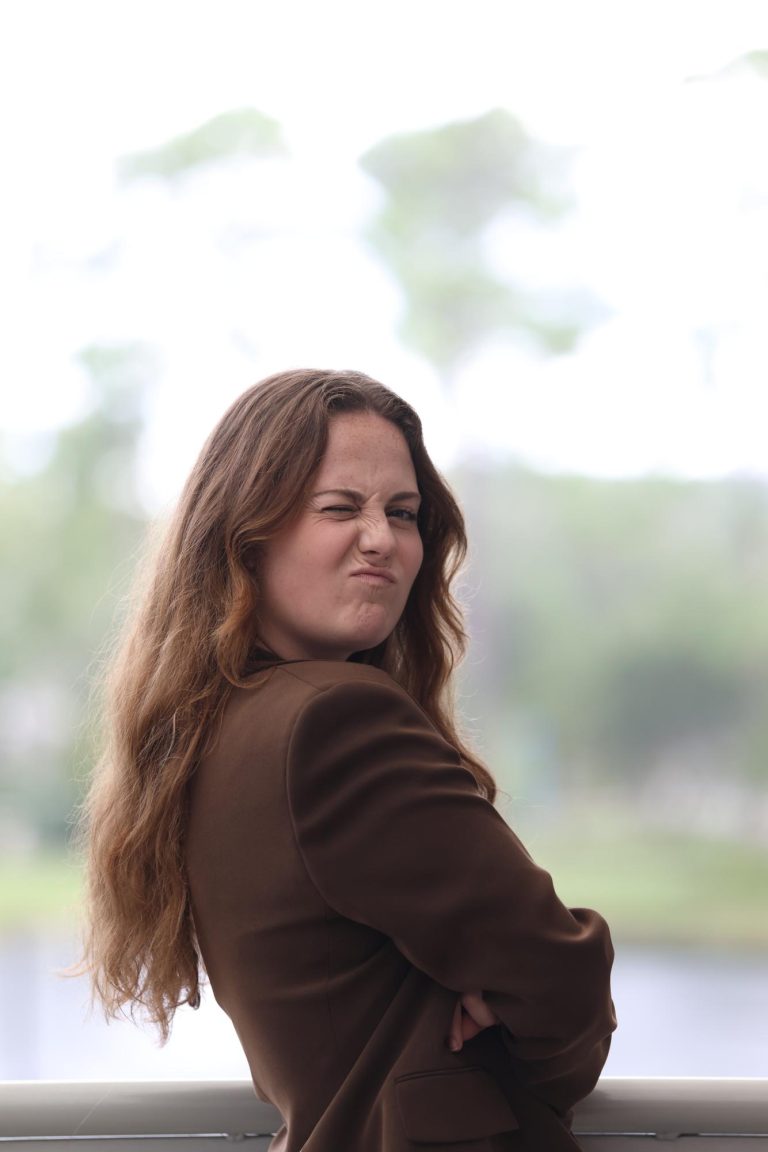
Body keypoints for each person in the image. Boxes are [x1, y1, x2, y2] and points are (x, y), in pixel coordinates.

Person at [82, 368, 615, 1152]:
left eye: (402, 513)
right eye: (339, 508)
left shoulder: (209, 729)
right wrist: (510, 1038)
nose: (382, 539)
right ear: (246, 533)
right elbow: (561, 980)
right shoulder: (337, 721)